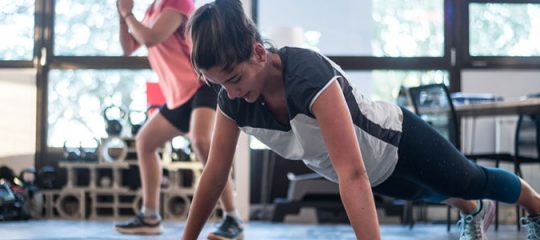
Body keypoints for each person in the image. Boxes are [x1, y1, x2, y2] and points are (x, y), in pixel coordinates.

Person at [180, 0, 540, 239]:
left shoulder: (306, 75)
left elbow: (352, 172)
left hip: (397, 141)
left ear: (259, 53)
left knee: (469, 179)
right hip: (372, 174)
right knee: (430, 192)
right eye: (218, 85)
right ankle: (474, 210)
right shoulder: (233, 99)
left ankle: (533, 204)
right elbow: (214, 176)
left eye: (234, 79)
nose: (229, 92)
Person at [114, 0, 243, 239]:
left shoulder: (178, 1)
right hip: (178, 96)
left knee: (202, 141)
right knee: (145, 142)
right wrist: (123, 16)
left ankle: (232, 217)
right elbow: (129, 47)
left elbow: (151, 38)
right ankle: (150, 216)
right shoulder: (153, 9)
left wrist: (128, 14)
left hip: (201, 85)